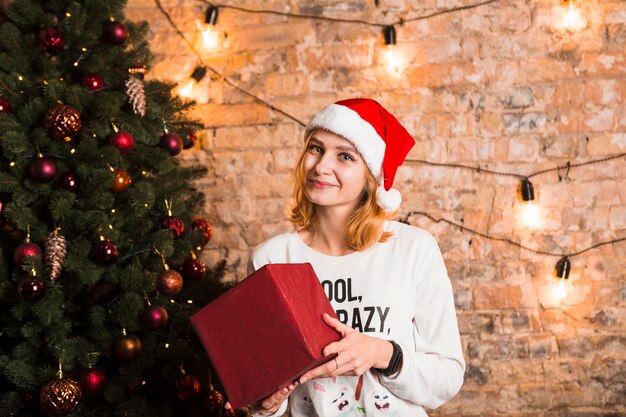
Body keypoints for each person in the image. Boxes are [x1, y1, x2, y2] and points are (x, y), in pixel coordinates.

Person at [245, 98, 465, 416]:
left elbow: (446, 380)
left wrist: (381, 353)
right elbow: (268, 390)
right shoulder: (271, 258)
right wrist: (266, 407)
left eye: (344, 156)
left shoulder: (413, 248)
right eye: (316, 148)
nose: (321, 166)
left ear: (370, 177)